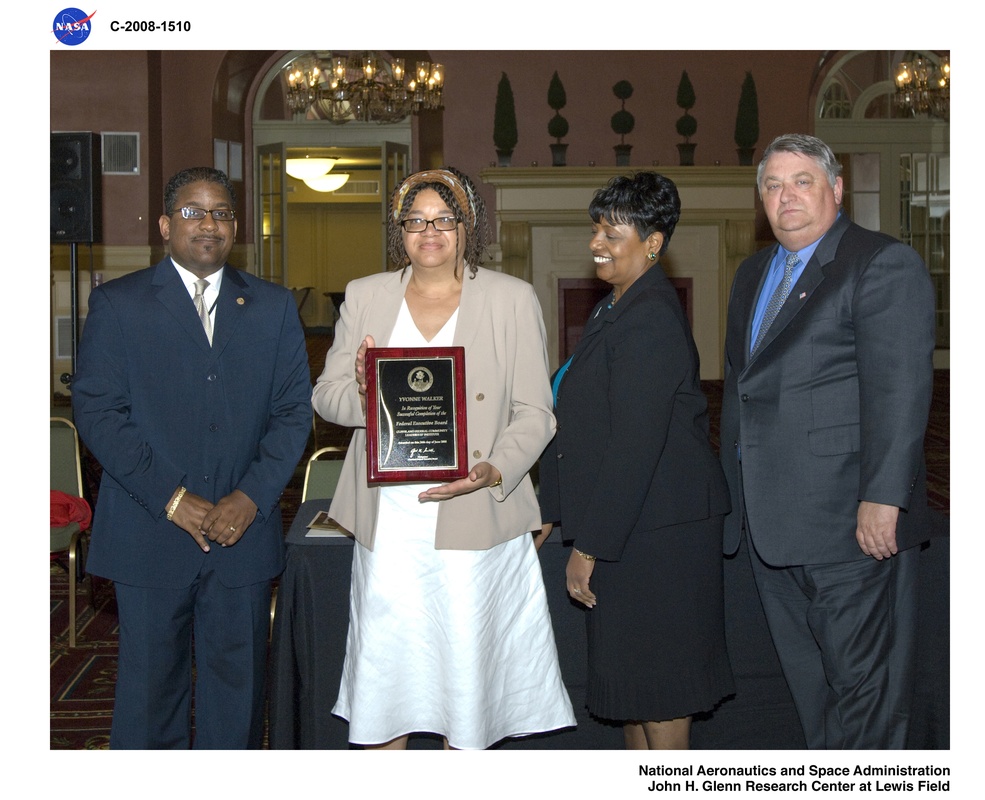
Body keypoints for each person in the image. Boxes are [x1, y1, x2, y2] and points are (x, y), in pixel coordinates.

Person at [311, 167, 575, 750]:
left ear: (467, 225)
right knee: (387, 686)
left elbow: (536, 412)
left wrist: (494, 469)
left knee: (468, 686)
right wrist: (365, 393)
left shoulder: (511, 298)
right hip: (390, 522)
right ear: (399, 230)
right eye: (415, 220)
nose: (429, 232)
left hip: (475, 512)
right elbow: (325, 397)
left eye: (444, 219)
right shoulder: (365, 295)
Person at [72, 167, 313, 748]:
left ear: (237, 226)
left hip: (242, 536)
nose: (209, 223)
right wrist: (172, 498)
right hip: (149, 533)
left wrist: (251, 496)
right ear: (164, 225)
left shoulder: (274, 306)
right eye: (193, 211)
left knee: (238, 699)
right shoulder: (118, 303)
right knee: (150, 700)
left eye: (221, 212)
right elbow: (99, 413)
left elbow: (292, 415)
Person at [719, 134, 936, 749]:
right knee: (813, 697)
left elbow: (900, 391)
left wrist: (883, 498)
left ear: (836, 189)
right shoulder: (752, 273)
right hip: (770, 525)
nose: (785, 196)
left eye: (802, 181)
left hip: (851, 526)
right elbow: (742, 388)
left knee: (865, 699)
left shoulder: (880, 262)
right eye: (772, 185)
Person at [538, 172, 733, 750]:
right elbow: (581, 419)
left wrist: (588, 548)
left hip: (661, 532)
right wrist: (552, 507)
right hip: (633, 523)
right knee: (631, 690)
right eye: (596, 228)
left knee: (661, 690)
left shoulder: (649, 318)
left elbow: (633, 446)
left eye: (612, 232)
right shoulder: (615, 306)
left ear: (653, 243)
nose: (596, 242)